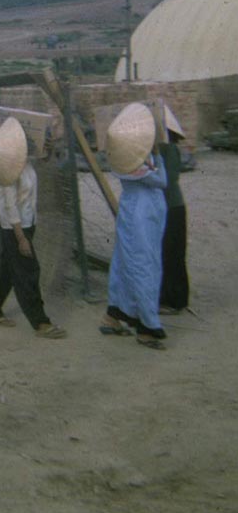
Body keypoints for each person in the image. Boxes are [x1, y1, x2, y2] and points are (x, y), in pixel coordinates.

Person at [0, 117, 66, 339]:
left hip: (27, 222)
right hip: (14, 227)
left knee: (10, 269)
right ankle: (40, 322)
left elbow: (39, 158)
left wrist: (47, 149)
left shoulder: (22, 160)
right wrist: (21, 238)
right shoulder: (6, 169)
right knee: (28, 271)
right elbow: (10, 206)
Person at [100, 102, 168, 349]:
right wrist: (159, 152)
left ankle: (114, 315)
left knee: (124, 263)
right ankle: (147, 326)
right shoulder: (135, 163)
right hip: (142, 217)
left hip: (135, 214)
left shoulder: (126, 158)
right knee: (144, 266)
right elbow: (162, 180)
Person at [158, 107, 190, 314]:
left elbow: (167, 181)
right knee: (170, 253)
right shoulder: (167, 148)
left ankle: (174, 301)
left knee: (171, 254)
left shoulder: (168, 149)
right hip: (171, 206)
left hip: (172, 207)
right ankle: (172, 298)